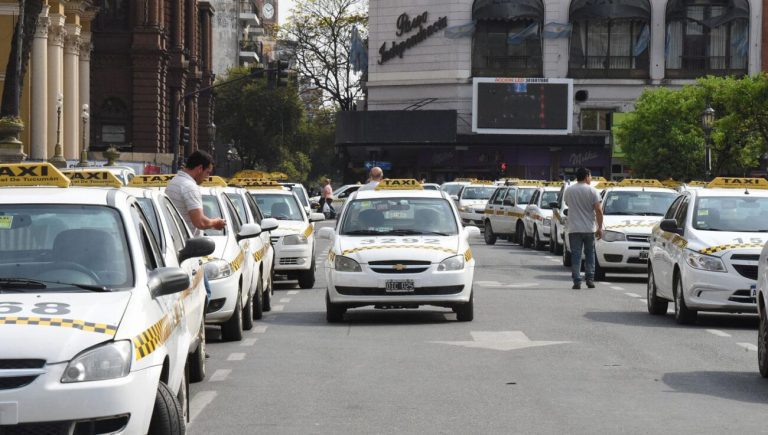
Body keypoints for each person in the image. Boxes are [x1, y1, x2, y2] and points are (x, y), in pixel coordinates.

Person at [166, 150, 227, 310]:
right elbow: (200, 221)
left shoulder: (175, 182)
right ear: (199, 168)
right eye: (207, 172)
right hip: (188, 253)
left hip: (177, 248)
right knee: (203, 297)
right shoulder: (189, 187)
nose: (207, 177)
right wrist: (216, 222)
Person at [563, 167, 604, 289]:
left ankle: (577, 280)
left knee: (576, 255)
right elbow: (598, 210)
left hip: (574, 228)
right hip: (589, 229)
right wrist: (600, 228)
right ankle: (590, 279)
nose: (591, 178)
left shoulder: (569, 191)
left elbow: (568, 204)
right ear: (586, 177)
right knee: (590, 254)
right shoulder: (593, 191)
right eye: (590, 176)